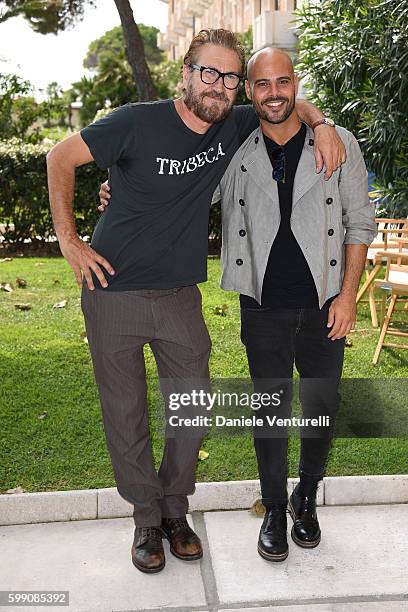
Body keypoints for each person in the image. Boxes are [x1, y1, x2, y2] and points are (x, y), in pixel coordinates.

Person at [47, 29, 345, 574]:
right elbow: (60, 156)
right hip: (111, 291)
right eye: (209, 72)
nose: (219, 85)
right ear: (185, 73)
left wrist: (323, 125)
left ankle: (175, 511)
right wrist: (70, 241)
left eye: (229, 77)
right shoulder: (133, 121)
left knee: (192, 406)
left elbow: (283, 97)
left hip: (180, 294)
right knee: (125, 411)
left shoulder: (234, 123)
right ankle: (145, 519)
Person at [216, 47, 377, 562]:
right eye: (262, 84)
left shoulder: (338, 142)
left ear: (295, 83)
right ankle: (273, 511)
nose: (274, 93)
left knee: (321, 409)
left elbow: (359, 225)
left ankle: (305, 497)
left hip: (325, 305)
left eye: (282, 82)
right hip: (261, 305)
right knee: (270, 412)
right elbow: (183, 189)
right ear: (249, 90)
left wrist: (348, 296)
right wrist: (119, 188)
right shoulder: (235, 148)